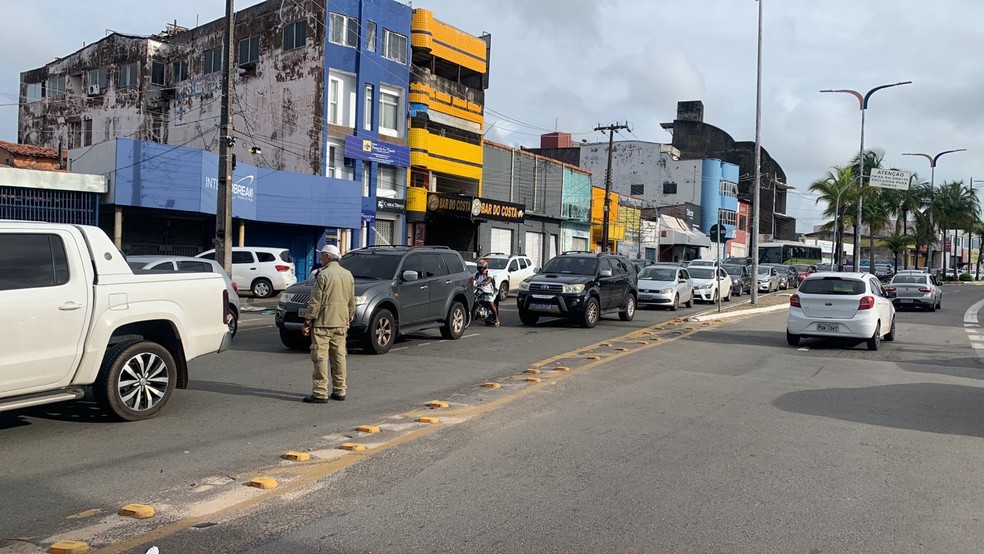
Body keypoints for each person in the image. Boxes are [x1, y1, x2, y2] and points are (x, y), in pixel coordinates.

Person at [301, 245, 355, 403]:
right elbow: (351, 300)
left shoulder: (323, 275)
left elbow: (315, 300)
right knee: (339, 357)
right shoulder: (348, 275)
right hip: (340, 322)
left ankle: (320, 392)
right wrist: (348, 318)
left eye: (322, 256)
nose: (320, 259)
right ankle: (340, 390)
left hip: (323, 323)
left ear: (327, 257)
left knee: (320, 358)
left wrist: (307, 320)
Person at [472, 258, 499, 327]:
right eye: (479, 268)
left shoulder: (488, 273)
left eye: (482, 268)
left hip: (488, 291)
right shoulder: (477, 274)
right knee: (472, 299)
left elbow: (490, 278)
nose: (480, 270)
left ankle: (496, 319)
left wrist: (486, 282)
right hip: (478, 290)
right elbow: (471, 278)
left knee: (491, 303)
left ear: (485, 267)